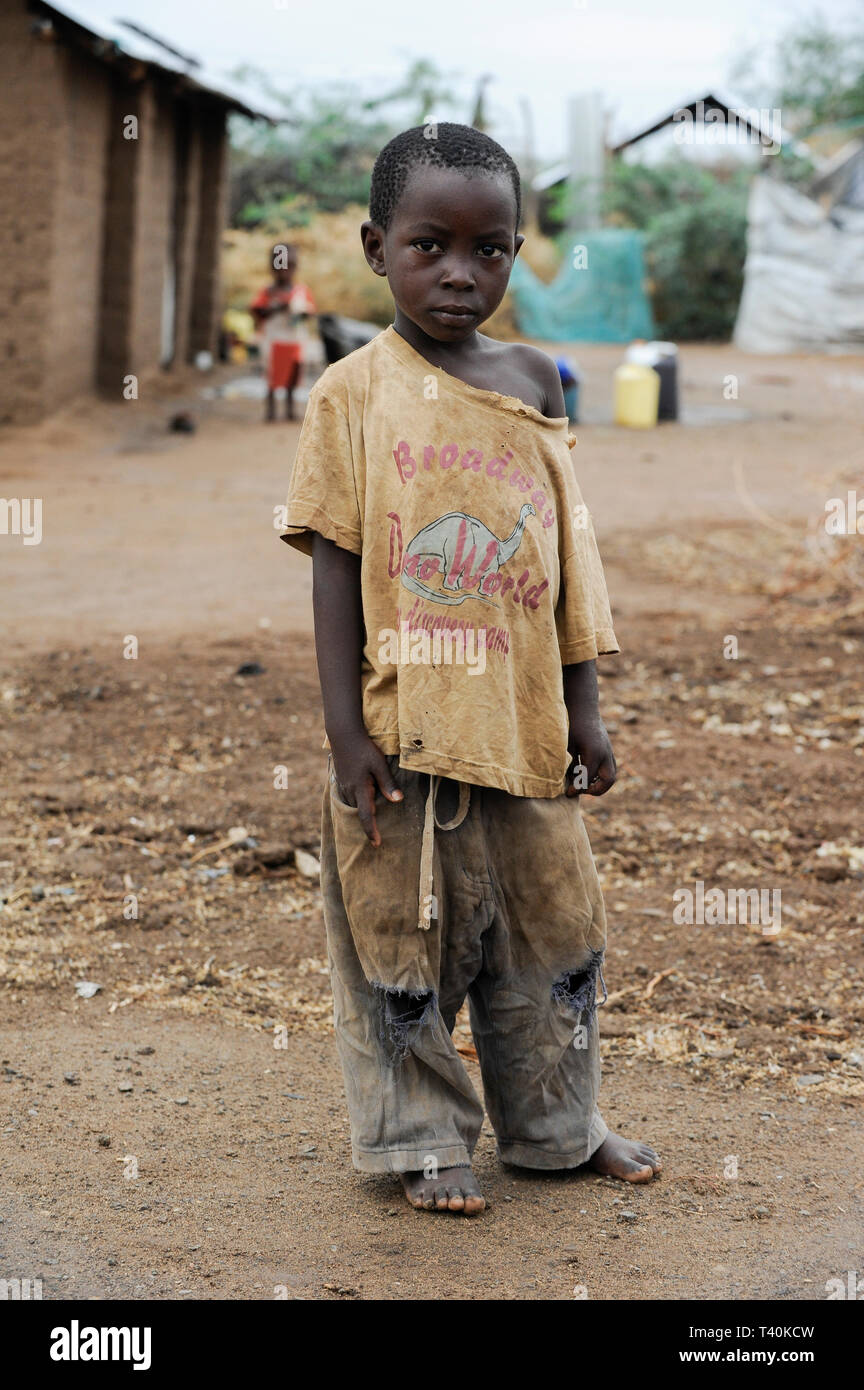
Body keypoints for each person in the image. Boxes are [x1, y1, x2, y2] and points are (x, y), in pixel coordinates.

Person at [279, 123, 661, 1215]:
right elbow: (332, 567)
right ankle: (423, 1140)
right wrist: (346, 735)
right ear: (375, 246)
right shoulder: (351, 392)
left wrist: (584, 707)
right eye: (429, 245)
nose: (461, 273)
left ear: (515, 252)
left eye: (490, 250)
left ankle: (557, 1124)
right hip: (405, 736)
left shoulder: (535, 379)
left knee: (557, 934)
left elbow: (566, 555)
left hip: (527, 727)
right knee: (403, 948)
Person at [250, 244, 316, 422]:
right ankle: (271, 410)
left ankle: (289, 408)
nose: (284, 272)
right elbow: (257, 310)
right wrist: (279, 307)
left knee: (293, 375)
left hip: (295, 340)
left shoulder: (301, 291)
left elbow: (310, 313)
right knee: (273, 374)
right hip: (274, 340)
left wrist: (300, 312)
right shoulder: (268, 292)